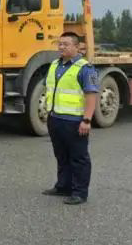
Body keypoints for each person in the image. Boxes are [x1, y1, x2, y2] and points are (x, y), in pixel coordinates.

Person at [42, 32, 98, 205]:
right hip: (55, 118)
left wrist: (87, 120)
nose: (61, 47)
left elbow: (91, 95)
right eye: (60, 44)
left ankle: (80, 192)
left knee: (79, 157)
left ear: (77, 47)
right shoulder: (54, 65)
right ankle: (63, 186)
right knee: (61, 155)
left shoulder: (85, 68)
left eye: (66, 44)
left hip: (74, 121)